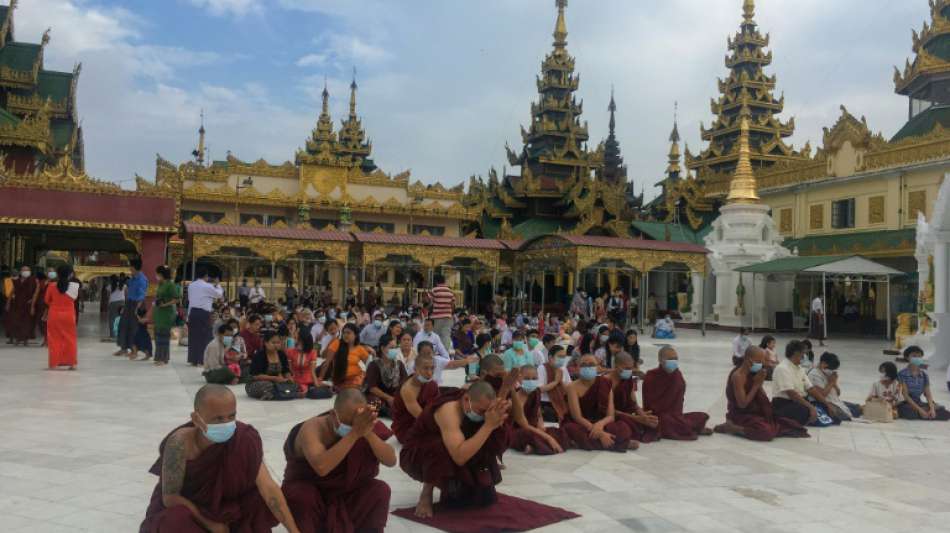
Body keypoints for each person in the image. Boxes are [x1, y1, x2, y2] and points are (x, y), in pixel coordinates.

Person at [140, 385, 300, 533]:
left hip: (227, 510)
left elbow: (268, 488)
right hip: (191, 512)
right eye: (218, 419)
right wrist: (209, 523)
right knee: (174, 520)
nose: (226, 424)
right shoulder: (179, 444)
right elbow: (170, 497)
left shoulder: (243, 439)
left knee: (258, 501)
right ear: (196, 419)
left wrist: (294, 531)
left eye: (231, 416)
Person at [281, 389, 395, 533]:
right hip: (315, 495)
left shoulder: (365, 424)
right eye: (348, 423)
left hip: (347, 493)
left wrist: (367, 433)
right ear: (333, 414)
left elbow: (391, 460)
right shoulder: (313, 428)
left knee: (379, 490)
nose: (353, 427)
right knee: (300, 496)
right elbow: (321, 467)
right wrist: (354, 434)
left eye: (356, 423)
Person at [400, 381, 510, 518]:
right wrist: (488, 426)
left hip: (457, 446)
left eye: (486, 412)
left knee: (482, 499)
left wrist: (495, 421)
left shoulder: (475, 406)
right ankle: (426, 493)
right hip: (420, 453)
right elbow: (459, 457)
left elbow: (495, 441)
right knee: (438, 445)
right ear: (466, 399)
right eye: (481, 411)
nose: (483, 416)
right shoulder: (448, 411)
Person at [714, 346, 808, 441]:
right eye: (759, 361)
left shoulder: (754, 372)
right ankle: (733, 428)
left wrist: (766, 405)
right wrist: (756, 384)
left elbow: (761, 395)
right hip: (741, 414)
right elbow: (742, 404)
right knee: (766, 432)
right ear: (748, 360)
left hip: (755, 412)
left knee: (790, 424)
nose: (761, 364)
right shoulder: (738, 376)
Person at [561, 354, 634, 451]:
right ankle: (618, 443)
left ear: (598, 367)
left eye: (591, 364)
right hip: (581, 423)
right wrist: (600, 434)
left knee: (623, 427)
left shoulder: (606, 383)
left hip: (600, 422)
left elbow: (610, 416)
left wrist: (600, 425)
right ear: (578, 367)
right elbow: (577, 417)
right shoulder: (571, 387)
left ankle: (588, 443)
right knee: (570, 429)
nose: (587, 367)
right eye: (583, 365)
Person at [642, 345, 712, 440]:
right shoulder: (651, 376)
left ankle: (685, 426)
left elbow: (679, 401)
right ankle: (690, 427)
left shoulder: (677, 375)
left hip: (675, 416)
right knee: (666, 421)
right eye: (670, 359)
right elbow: (649, 405)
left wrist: (677, 417)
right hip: (659, 417)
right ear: (660, 360)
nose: (674, 362)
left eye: (675, 359)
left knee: (702, 416)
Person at [771, 340, 835, 426]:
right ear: (796, 353)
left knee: (828, 409)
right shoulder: (782, 368)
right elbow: (792, 394)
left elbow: (811, 389)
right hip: (785, 403)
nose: (804, 357)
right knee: (806, 412)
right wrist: (811, 407)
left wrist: (826, 404)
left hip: (800, 401)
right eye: (803, 354)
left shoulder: (800, 368)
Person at [509, 365, 569, 455]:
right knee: (527, 435)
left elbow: (538, 414)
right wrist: (548, 438)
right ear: (519, 379)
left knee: (558, 431)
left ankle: (535, 446)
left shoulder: (536, 392)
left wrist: (541, 426)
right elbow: (524, 425)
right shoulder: (516, 397)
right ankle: (536, 444)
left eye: (534, 378)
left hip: (534, 427)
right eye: (527, 378)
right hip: (518, 430)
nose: (531, 381)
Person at [608, 352, 660, 443]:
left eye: (631, 368)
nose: (630, 371)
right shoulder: (607, 381)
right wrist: (636, 418)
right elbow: (609, 411)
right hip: (612, 416)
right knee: (623, 429)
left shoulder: (628, 379)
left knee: (654, 422)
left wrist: (643, 416)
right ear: (616, 366)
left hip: (626, 414)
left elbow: (634, 404)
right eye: (626, 368)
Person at [391, 351, 440, 444]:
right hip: (407, 428)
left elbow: (438, 407)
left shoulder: (431, 384)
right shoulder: (408, 389)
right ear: (415, 369)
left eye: (432, 368)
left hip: (428, 421)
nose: (429, 373)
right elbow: (421, 417)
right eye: (425, 368)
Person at [896, 347, 950, 421]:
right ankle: (924, 413)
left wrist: (932, 409)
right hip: (905, 403)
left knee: (943, 411)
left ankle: (927, 412)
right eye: (914, 356)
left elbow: (928, 394)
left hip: (918, 402)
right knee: (907, 411)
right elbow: (906, 396)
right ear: (907, 357)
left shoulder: (924, 375)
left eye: (919, 356)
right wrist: (920, 410)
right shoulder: (902, 374)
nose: (917, 358)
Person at [43, 264, 79, 370]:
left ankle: (54, 363)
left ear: (58, 274)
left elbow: (46, 300)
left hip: (54, 314)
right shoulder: (74, 286)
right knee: (70, 339)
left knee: (54, 339)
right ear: (70, 274)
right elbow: (75, 299)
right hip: (69, 315)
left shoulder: (51, 286)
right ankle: (71, 363)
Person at [807, 352, 861, 421]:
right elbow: (821, 395)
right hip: (823, 403)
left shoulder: (828, 373)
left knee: (858, 407)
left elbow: (838, 393)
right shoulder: (813, 375)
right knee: (853, 412)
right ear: (823, 364)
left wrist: (834, 383)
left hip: (834, 401)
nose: (832, 371)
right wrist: (831, 383)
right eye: (831, 369)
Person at [364, 333, 408, 417]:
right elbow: (372, 388)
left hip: (394, 396)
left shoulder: (399, 364)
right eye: (391, 348)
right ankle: (386, 411)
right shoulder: (374, 365)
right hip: (378, 396)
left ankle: (389, 411)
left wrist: (398, 397)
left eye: (395, 348)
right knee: (374, 404)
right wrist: (388, 398)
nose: (394, 350)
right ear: (382, 348)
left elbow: (405, 383)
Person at [187, 268, 224, 367]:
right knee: (204, 336)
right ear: (206, 276)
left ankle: (193, 359)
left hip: (193, 312)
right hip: (203, 313)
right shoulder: (207, 286)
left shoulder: (191, 285)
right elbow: (219, 294)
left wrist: (188, 315)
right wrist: (218, 285)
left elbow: (190, 300)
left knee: (193, 336)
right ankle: (201, 360)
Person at [320, 323, 372, 389]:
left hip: (356, 378)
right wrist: (320, 379)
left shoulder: (360, 348)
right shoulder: (337, 343)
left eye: (348, 333)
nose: (345, 335)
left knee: (356, 385)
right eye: (344, 333)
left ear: (355, 335)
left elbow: (370, 366)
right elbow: (326, 363)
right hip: (339, 378)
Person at [245, 331, 296, 400]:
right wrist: (274, 378)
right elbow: (256, 376)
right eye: (273, 343)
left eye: (278, 343)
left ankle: (276, 393)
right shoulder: (259, 355)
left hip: (278, 382)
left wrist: (289, 378)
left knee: (293, 383)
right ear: (266, 343)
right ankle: (280, 393)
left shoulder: (281, 354)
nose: (276, 345)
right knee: (268, 385)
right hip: (258, 383)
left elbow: (286, 370)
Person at [115, 258, 147, 357]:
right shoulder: (132, 278)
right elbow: (127, 291)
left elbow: (142, 296)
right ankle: (123, 348)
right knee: (123, 325)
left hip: (137, 304)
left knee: (134, 328)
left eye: (130, 267)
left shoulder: (142, 279)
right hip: (128, 303)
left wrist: (136, 309)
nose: (129, 269)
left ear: (134, 267)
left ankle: (135, 351)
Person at [6, 264, 39, 346]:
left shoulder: (34, 280)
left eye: (27, 270)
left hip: (28, 304)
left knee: (27, 322)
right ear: (20, 272)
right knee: (16, 321)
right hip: (17, 304)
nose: (25, 272)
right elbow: (12, 292)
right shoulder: (17, 280)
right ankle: (18, 339)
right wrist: (8, 303)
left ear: (30, 272)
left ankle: (25, 340)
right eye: (24, 270)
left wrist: (32, 303)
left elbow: (36, 292)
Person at [537, 344, 571, 423]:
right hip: (546, 403)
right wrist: (555, 382)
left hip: (561, 401)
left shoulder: (563, 369)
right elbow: (539, 389)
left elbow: (569, 388)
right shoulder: (542, 368)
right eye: (560, 356)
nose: (562, 359)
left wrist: (560, 382)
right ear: (550, 357)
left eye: (564, 357)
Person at [153, 266, 179, 367]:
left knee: (163, 336)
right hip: (159, 312)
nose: (156, 276)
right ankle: (159, 357)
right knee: (158, 335)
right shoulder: (160, 284)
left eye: (157, 274)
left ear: (161, 274)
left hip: (166, 313)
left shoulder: (170, 285)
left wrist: (165, 304)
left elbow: (176, 299)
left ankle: (163, 358)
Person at [428, 273, 456, 354]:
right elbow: (453, 305)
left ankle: (434, 352)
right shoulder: (450, 291)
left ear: (436, 281)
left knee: (435, 335)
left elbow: (430, 302)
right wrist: (450, 312)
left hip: (437, 316)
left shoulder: (434, 290)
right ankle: (444, 353)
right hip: (448, 316)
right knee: (446, 335)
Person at [288, 329, 319, 397]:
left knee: (316, 391)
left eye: (298, 340)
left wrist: (317, 386)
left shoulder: (312, 353)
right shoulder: (290, 351)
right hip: (294, 380)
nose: (296, 341)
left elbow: (312, 371)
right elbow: (289, 369)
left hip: (308, 380)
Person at [106, 275, 125, 340]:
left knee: (112, 319)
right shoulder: (123, 285)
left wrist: (108, 304)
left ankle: (113, 335)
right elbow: (126, 294)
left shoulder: (110, 286)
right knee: (120, 319)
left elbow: (108, 296)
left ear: (111, 280)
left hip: (113, 303)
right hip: (122, 303)